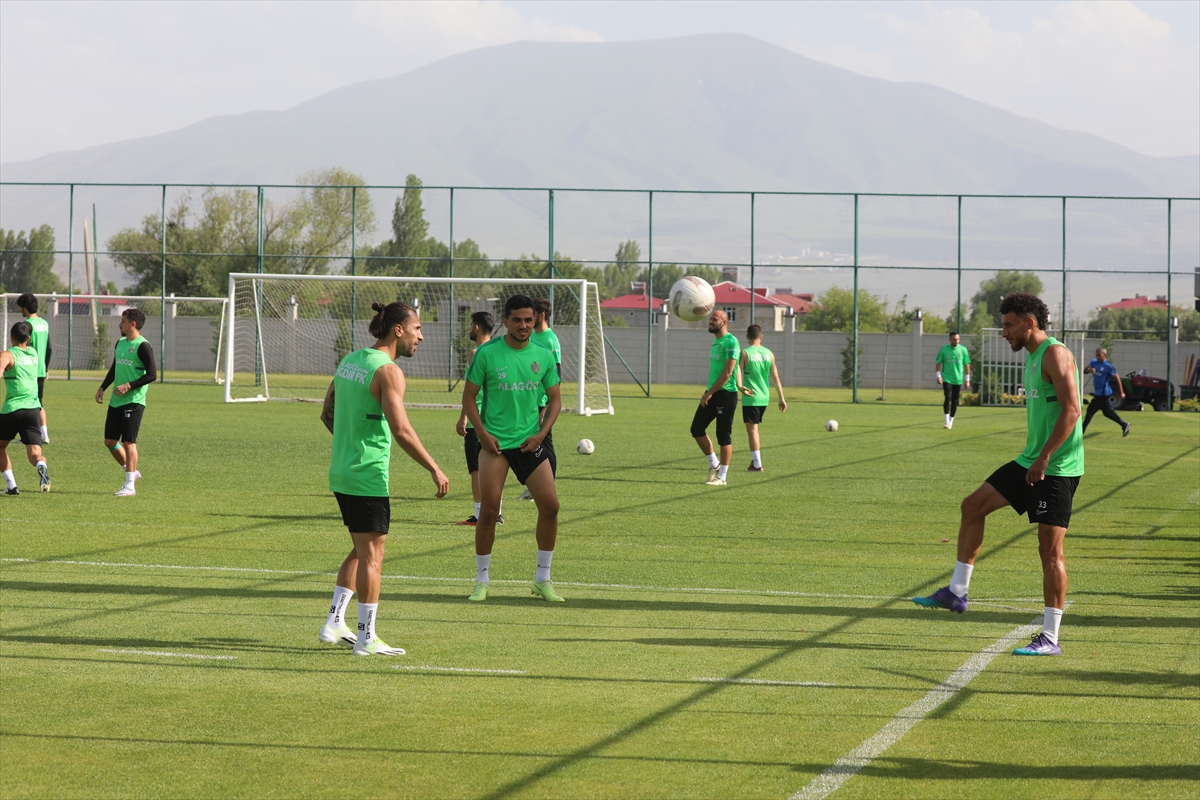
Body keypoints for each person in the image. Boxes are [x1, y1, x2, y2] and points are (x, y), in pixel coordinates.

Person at [913, 292, 1083, 657]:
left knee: (1050, 552)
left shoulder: (1055, 354)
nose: (1003, 332)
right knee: (972, 506)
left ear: (1030, 323)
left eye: (1008, 324)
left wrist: (1045, 457)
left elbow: (1072, 411)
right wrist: (1034, 458)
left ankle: (1050, 639)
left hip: (1056, 467)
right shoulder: (1033, 358)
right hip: (1031, 461)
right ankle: (957, 592)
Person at [317, 301, 449, 656]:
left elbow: (326, 412)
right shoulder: (389, 371)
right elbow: (402, 430)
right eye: (418, 328)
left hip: (343, 471)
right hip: (366, 474)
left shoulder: (350, 361)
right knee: (374, 554)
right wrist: (434, 468)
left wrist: (349, 441)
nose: (421, 336)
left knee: (362, 549)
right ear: (399, 330)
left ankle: (334, 622)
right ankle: (366, 637)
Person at [461, 295, 563, 603]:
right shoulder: (487, 354)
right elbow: (469, 398)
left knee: (551, 507)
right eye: (517, 320)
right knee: (489, 513)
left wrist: (541, 434)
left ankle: (542, 580)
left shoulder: (543, 355)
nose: (523, 325)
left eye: (528, 320)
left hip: (530, 442)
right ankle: (482, 581)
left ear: (535, 321)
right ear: (505, 321)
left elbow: (556, 400)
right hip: (495, 447)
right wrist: (482, 434)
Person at [95, 308, 156, 497]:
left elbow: (152, 375)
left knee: (129, 442)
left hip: (134, 400)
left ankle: (130, 485)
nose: (119, 324)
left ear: (132, 324)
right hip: (116, 401)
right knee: (110, 441)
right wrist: (102, 387)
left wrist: (129, 385)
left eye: (122, 321)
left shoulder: (143, 346)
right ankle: (132, 471)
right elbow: (115, 368)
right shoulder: (120, 343)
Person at [455, 311, 503, 525]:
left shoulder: (476, 354)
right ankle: (497, 513)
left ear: (476, 328)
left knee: (477, 469)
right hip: (498, 418)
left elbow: (471, 391)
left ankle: (479, 514)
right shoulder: (500, 351)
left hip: (479, 419)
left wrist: (463, 418)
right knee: (496, 466)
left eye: (470, 324)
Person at [517, 297, 562, 501]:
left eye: (531, 316)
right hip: (530, 400)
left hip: (542, 401)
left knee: (545, 443)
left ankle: (544, 487)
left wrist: (548, 406)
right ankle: (536, 487)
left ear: (541, 316)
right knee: (532, 442)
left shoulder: (549, 340)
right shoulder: (534, 338)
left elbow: (556, 375)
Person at [1, 321, 50, 494]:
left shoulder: (8, 354)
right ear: (28, 339)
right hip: (33, 410)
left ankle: (11, 486)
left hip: (13, 409)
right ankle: (41, 465)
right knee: (35, 454)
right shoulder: (33, 353)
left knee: (0, 447)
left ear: (10, 337)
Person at [692, 309, 740, 486]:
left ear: (724, 322)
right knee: (696, 428)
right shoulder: (716, 341)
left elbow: (728, 372)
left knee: (723, 435)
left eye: (714, 319)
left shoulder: (731, 342)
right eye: (710, 319)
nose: (710, 321)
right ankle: (714, 464)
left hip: (725, 395)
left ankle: (723, 477)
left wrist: (709, 393)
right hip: (712, 392)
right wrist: (709, 392)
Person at [737, 324, 786, 472]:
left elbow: (737, 371)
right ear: (761, 337)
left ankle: (757, 464)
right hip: (765, 397)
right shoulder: (769, 353)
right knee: (754, 430)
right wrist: (781, 398)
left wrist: (740, 387)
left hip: (751, 396)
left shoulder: (745, 353)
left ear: (747, 337)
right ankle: (755, 462)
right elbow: (776, 377)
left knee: (752, 431)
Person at [16, 294, 51, 443]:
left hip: (30, 370)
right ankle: (44, 434)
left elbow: (25, 347)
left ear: (24, 307)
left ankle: (31, 437)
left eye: (20, 308)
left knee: (27, 403)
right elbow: (49, 348)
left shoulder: (27, 325)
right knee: (38, 403)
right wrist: (46, 368)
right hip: (41, 370)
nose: (20, 311)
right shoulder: (44, 323)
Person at [1082, 347, 1130, 436]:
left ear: (1104, 355)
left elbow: (1117, 379)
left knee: (1090, 410)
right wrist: (1089, 370)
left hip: (1103, 394)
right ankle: (1124, 424)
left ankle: (1081, 431)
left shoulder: (1108, 366)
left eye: (1099, 355)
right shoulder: (1094, 362)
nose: (1097, 357)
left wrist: (1121, 392)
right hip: (1099, 393)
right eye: (1096, 355)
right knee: (1108, 413)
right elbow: (1085, 371)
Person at [936, 332, 971, 429]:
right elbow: (938, 363)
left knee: (955, 400)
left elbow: (967, 365)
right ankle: (946, 421)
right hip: (947, 378)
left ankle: (951, 421)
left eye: (958, 339)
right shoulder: (944, 349)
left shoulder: (963, 350)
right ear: (950, 339)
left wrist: (967, 380)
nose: (956, 341)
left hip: (958, 379)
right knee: (948, 397)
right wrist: (938, 376)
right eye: (954, 339)